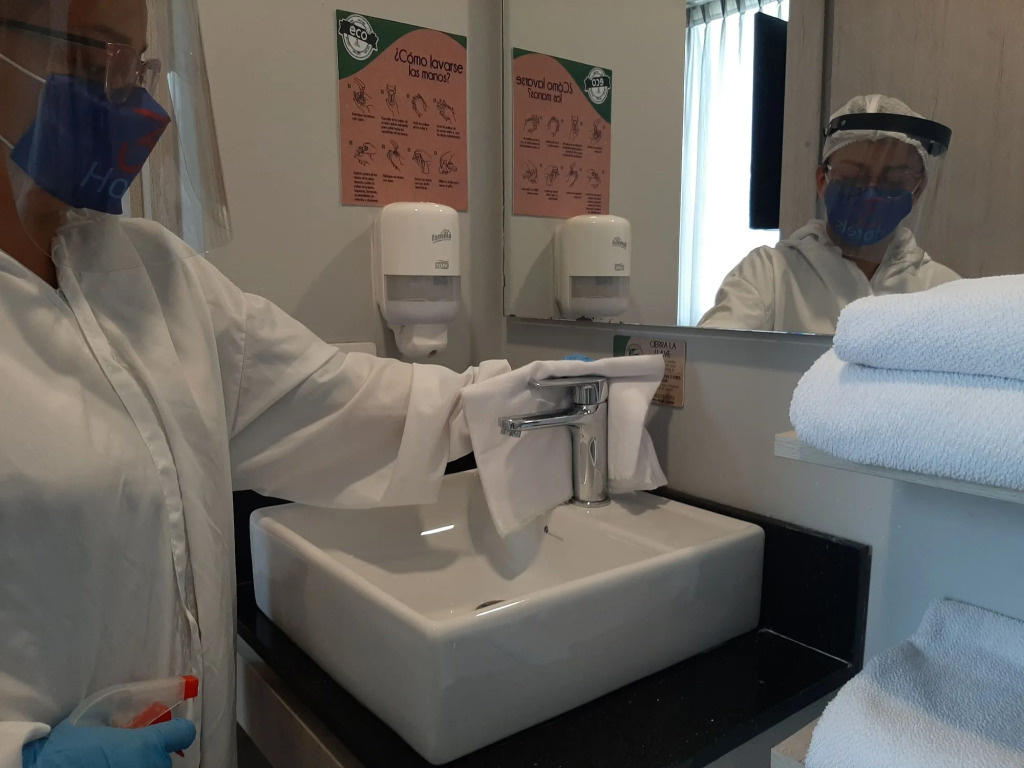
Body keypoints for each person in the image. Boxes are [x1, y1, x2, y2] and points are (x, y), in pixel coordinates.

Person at [0, 1, 509, 766]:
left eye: (135, 67)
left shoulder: (153, 276)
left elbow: (335, 398)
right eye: (90, 57)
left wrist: (500, 403)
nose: (122, 100)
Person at [699, 94, 960, 334]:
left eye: (893, 180)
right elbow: (713, 355)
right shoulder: (768, 276)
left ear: (918, 189)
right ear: (822, 180)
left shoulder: (945, 291)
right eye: (853, 176)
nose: (871, 193)